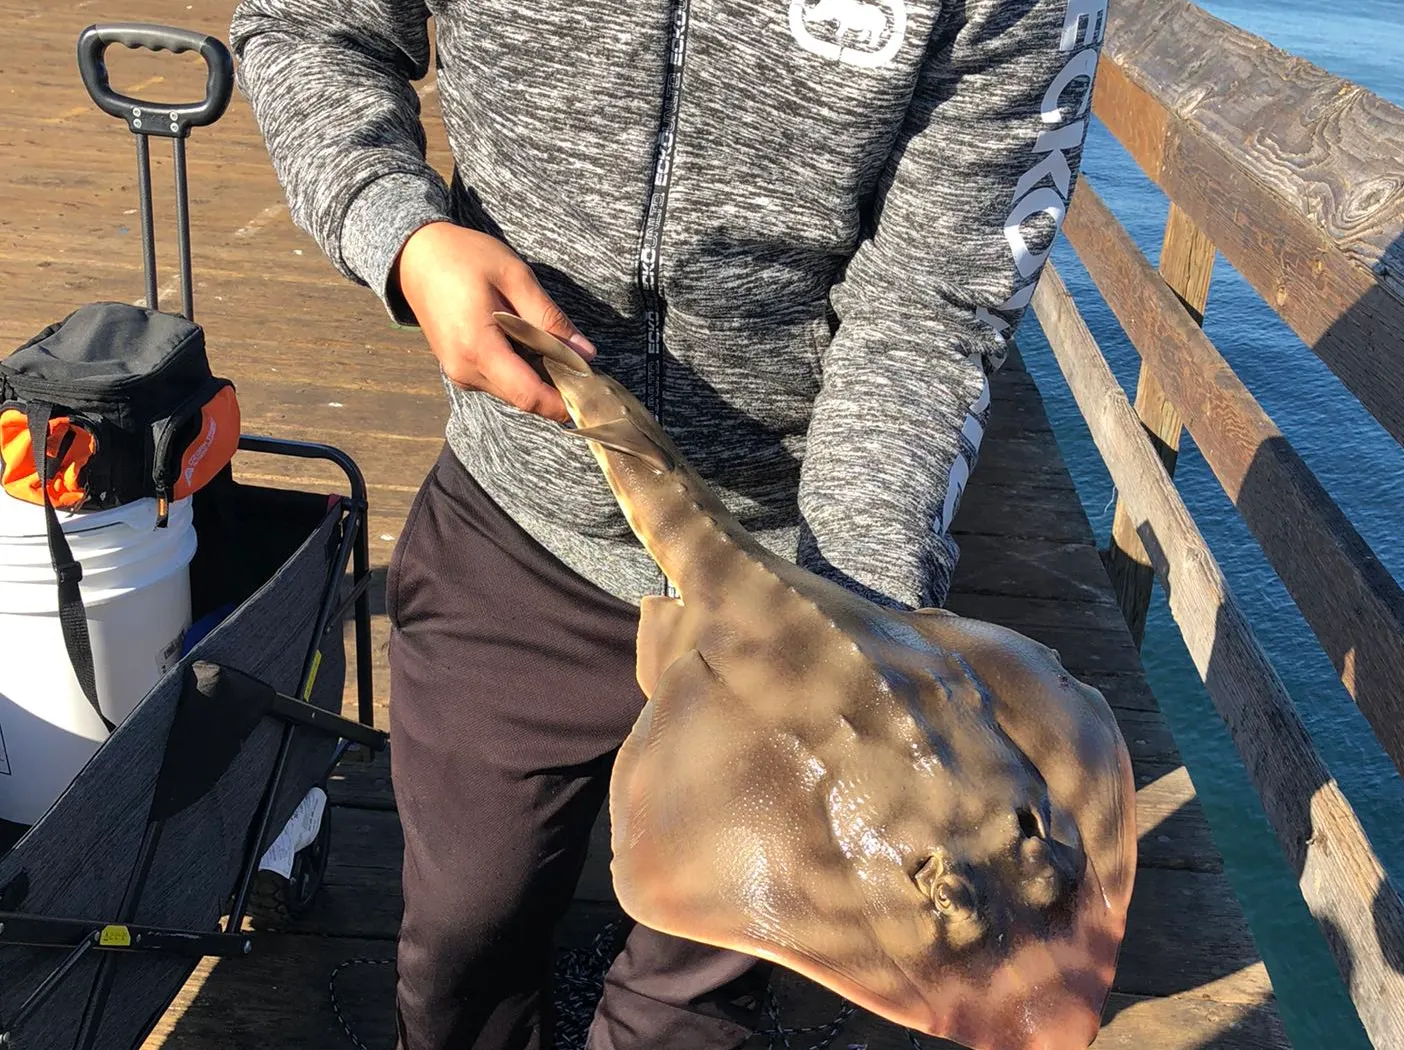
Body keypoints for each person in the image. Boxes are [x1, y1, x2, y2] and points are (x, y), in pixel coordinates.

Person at [227, 0, 1107, 1047]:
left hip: (817, 550)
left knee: (688, 1014)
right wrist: (401, 231)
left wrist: (855, 633)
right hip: (522, 521)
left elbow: (939, 293)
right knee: (463, 934)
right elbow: (306, 24)